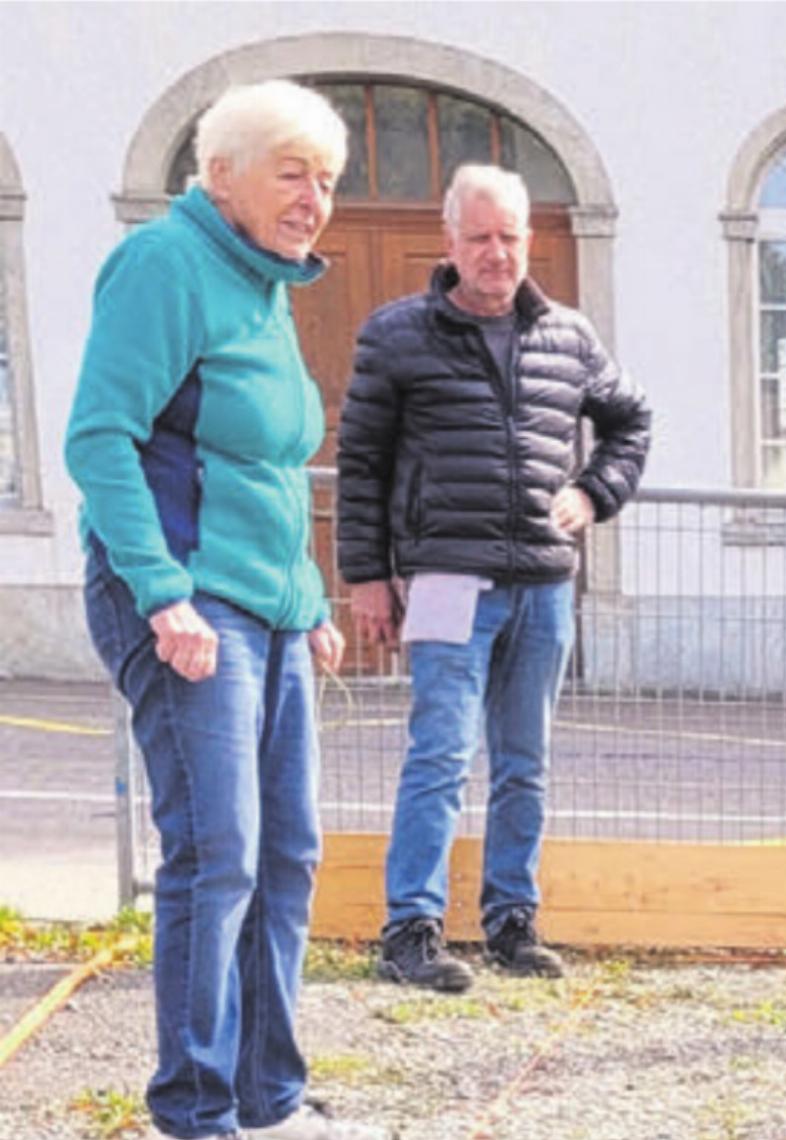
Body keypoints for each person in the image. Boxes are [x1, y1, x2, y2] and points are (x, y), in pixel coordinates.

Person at [66, 80, 387, 1140]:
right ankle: (195, 1109)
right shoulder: (165, 264)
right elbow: (101, 440)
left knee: (289, 850)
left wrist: (311, 602)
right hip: (184, 599)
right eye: (292, 172)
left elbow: (268, 466)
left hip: (268, 610)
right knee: (219, 853)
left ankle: (269, 1098)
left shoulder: (264, 284)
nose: (314, 199)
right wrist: (162, 595)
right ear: (221, 176)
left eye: (328, 181)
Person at [335, 164, 651, 993]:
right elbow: (361, 463)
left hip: (544, 584)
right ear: (449, 243)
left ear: (528, 240)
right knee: (439, 753)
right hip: (445, 578)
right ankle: (411, 927)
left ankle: (512, 920)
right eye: (479, 237)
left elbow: (631, 422)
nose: (496, 253)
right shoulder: (395, 334)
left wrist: (592, 492)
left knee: (525, 760)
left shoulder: (570, 336)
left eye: (509, 236)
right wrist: (367, 575)